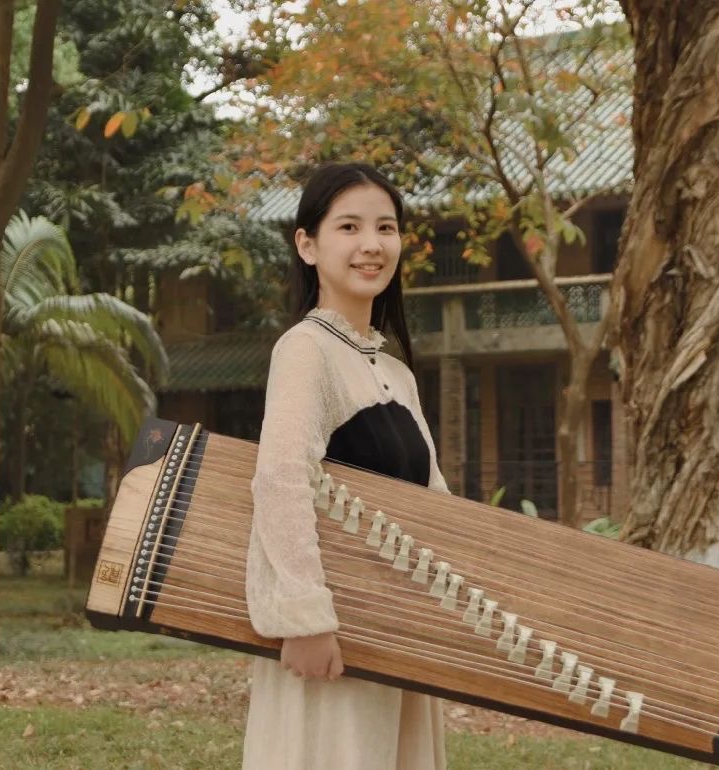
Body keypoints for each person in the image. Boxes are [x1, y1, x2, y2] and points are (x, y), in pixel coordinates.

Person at [243, 162, 451, 770]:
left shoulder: (396, 373)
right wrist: (306, 617)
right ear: (307, 245)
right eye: (349, 227)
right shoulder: (305, 350)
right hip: (332, 637)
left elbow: (435, 504)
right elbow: (280, 478)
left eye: (386, 228)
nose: (372, 244)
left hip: (394, 628)